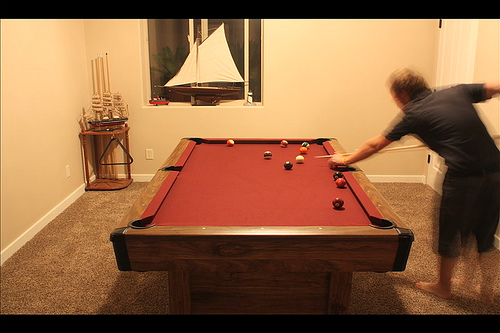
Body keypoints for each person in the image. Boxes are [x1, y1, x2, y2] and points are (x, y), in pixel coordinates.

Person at [329, 68, 500, 305]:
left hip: (463, 178)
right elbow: (496, 86)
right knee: (485, 234)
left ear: (404, 94)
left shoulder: (414, 114)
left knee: (449, 233)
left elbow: (375, 144)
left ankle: (443, 287)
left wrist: (345, 159)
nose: (397, 103)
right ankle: (487, 292)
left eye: (396, 98)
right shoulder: (457, 92)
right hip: (496, 172)